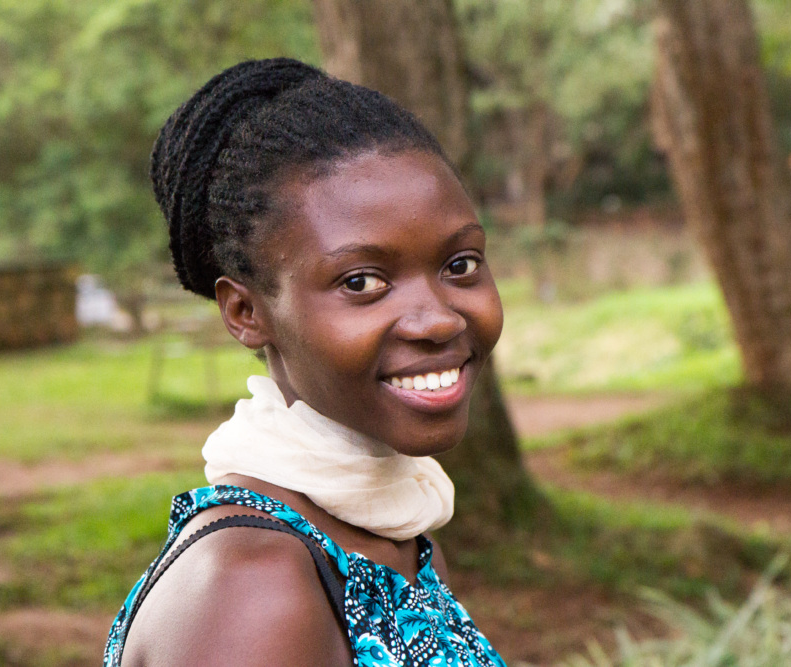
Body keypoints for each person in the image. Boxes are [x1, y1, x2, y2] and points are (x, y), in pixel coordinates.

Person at [104, 57, 506, 667]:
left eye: (460, 266)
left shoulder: (396, 533)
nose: (440, 319)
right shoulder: (255, 589)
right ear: (245, 311)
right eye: (363, 281)